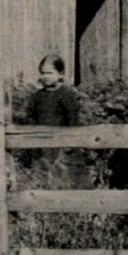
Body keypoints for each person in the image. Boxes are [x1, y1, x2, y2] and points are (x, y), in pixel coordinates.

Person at [25, 54, 90, 189]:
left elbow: (72, 119)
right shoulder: (37, 96)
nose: (45, 76)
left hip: (63, 143)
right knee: (43, 173)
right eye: (43, 73)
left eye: (50, 73)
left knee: (67, 176)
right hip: (41, 143)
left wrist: (69, 143)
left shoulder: (66, 95)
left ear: (60, 74)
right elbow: (30, 116)